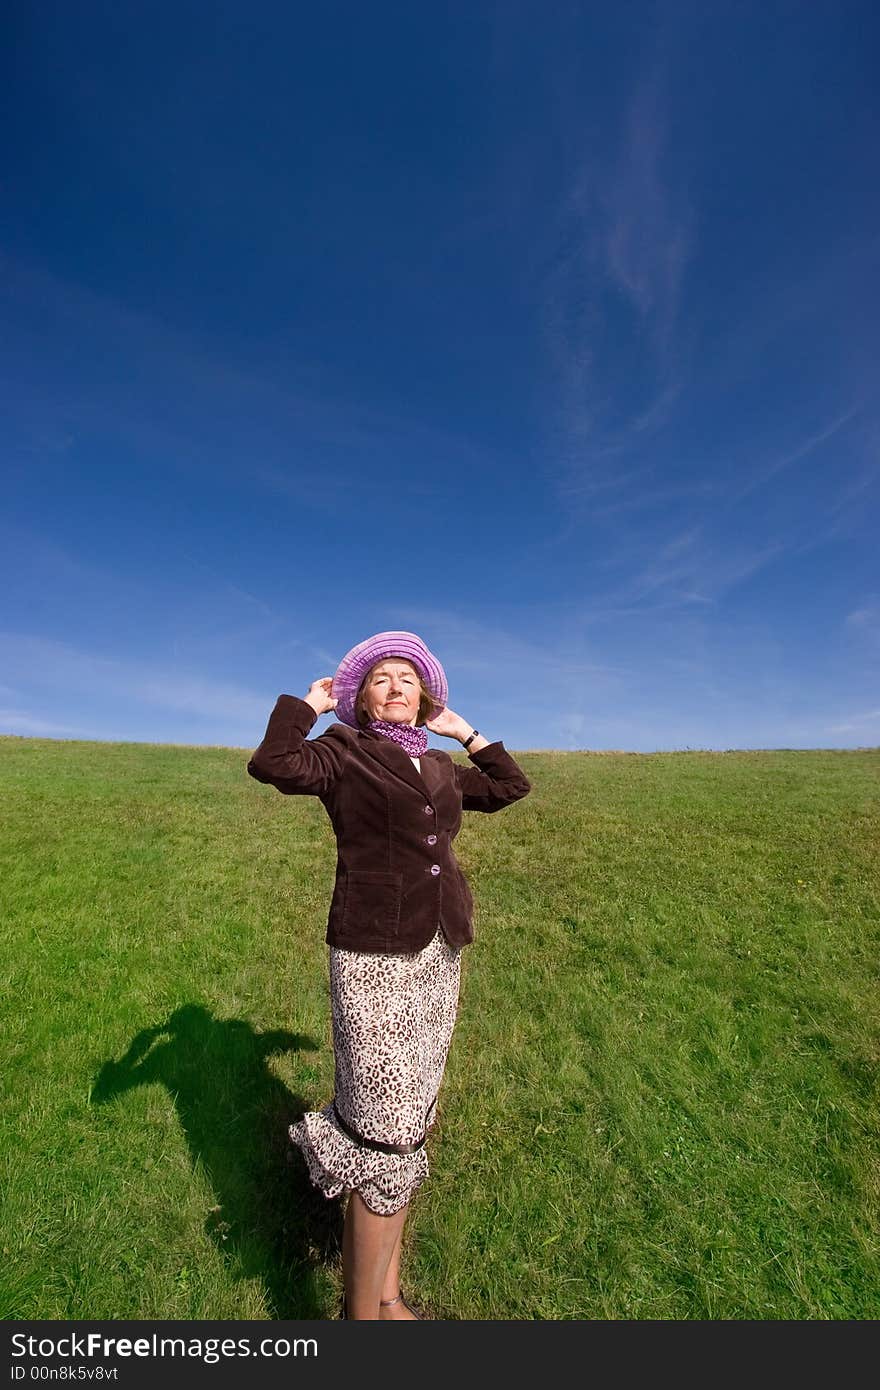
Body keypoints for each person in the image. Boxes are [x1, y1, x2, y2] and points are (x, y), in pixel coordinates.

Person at [247, 631, 531, 1319]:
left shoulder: (438, 766)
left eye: (409, 678)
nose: (398, 685)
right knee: (382, 1126)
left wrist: (464, 731)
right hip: (374, 955)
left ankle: (386, 1295)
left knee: (409, 1125)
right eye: (382, 679)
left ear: (424, 698)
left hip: (438, 954)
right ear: (362, 700)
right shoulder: (343, 754)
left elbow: (510, 786)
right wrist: (308, 704)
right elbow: (274, 762)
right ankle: (358, 1318)